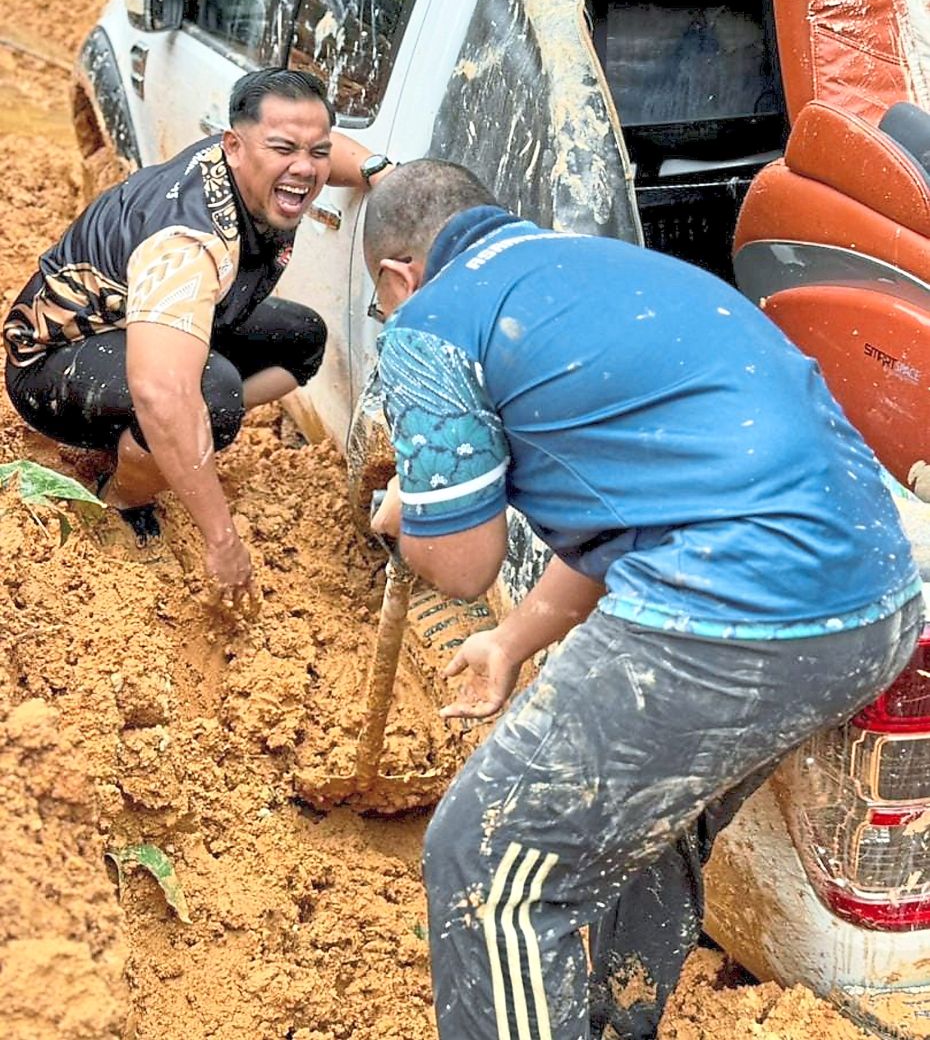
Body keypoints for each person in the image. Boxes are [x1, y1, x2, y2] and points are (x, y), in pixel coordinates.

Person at [365, 159, 922, 1040]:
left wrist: (414, 510)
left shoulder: (431, 321)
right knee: (651, 831)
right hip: (877, 604)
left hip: (732, 611)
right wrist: (511, 642)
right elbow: (635, 507)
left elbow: (462, 564)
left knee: (486, 859)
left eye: (383, 304)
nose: (391, 318)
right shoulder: (606, 271)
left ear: (399, 276)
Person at [3, 67, 393, 609]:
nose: (303, 169)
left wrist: (382, 173)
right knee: (207, 397)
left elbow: (326, 151)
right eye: (284, 149)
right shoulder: (189, 242)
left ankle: (167, 444)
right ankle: (119, 497)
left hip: (145, 325)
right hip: (53, 361)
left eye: (316, 151)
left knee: (302, 340)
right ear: (235, 146)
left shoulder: (258, 163)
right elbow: (162, 393)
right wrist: (222, 538)